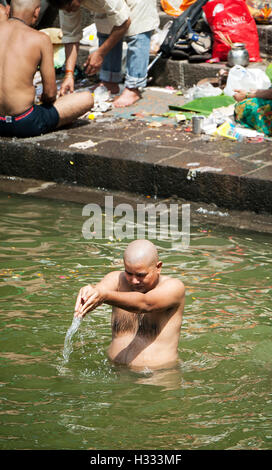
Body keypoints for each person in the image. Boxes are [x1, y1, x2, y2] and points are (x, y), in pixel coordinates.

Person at [74, 240, 185, 370]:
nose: (134, 281)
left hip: (157, 376)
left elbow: (145, 303)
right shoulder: (117, 280)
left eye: (141, 275)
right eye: (129, 273)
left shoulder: (174, 287)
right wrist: (90, 293)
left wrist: (104, 296)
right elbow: (100, 289)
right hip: (115, 372)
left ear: (158, 267)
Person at [0, 0, 93, 138]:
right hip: (24, 121)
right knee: (86, 99)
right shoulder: (40, 39)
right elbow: (50, 93)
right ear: (37, 12)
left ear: (9, 9)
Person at [47, 0, 159, 108]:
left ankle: (133, 88)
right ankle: (109, 82)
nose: (69, 11)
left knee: (137, 32)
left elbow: (124, 23)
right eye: (65, 9)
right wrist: (69, 74)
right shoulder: (63, 3)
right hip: (109, 5)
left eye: (70, 6)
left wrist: (100, 53)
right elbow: (71, 36)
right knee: (105, 29)